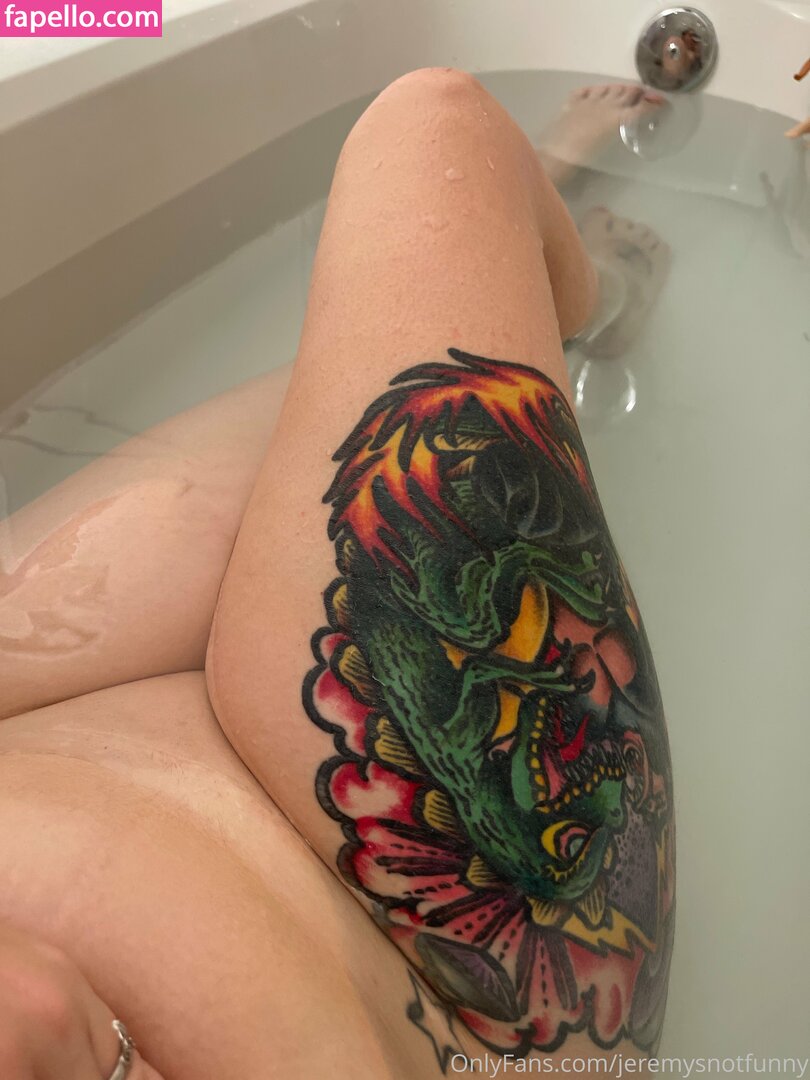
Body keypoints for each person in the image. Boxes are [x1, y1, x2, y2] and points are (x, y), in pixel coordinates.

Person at [0, 70, 673, 1079]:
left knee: (346, 412)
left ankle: (541, 266)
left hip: (52, 750)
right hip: (437, 983)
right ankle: (591, 297)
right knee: (437, 136)